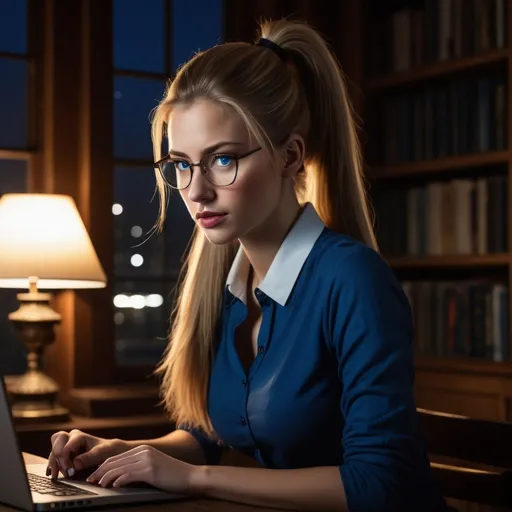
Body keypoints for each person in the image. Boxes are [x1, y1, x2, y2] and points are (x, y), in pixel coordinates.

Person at [47, 18, 452, 512]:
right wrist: (129, 453)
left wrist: (194, 479)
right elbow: (206, 436)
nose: (195, 191)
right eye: (181, 164)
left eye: (222, 160)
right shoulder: (227, 284)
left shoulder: (352, 280)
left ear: (290, 156)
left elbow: (379, 485)